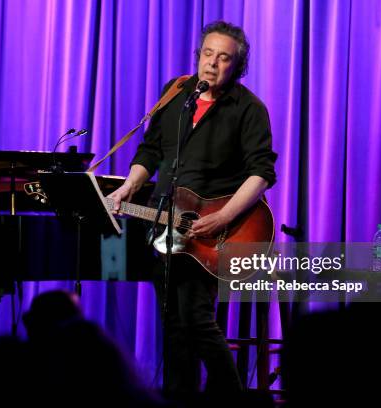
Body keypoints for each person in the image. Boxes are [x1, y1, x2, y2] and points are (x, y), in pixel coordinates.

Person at [108, 21, 277, 396]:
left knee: (197, 319)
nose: (213, 64)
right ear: (198, 55)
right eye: (207, 54)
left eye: (224, 58)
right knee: (172, 324)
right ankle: (180, 396)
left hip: (216, 232)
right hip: (163, 224)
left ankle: (232, 396)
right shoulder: (176, 92)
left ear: (238, 66)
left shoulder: (248, 109)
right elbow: (151, 151)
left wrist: (224, 215)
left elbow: (262, 173)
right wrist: (128, 187)